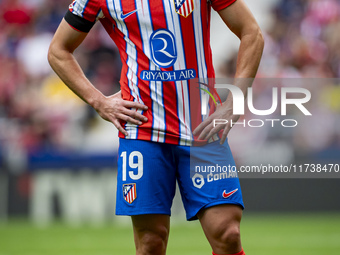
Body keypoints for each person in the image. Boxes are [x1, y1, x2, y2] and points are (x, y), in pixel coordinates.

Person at [48, 0, 264, 254]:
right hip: (142, 130)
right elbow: (58, 50)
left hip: (202, 127)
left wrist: (234, 101)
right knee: (151, 241)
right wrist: (99, 101)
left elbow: (252, 32)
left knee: (228, 234)